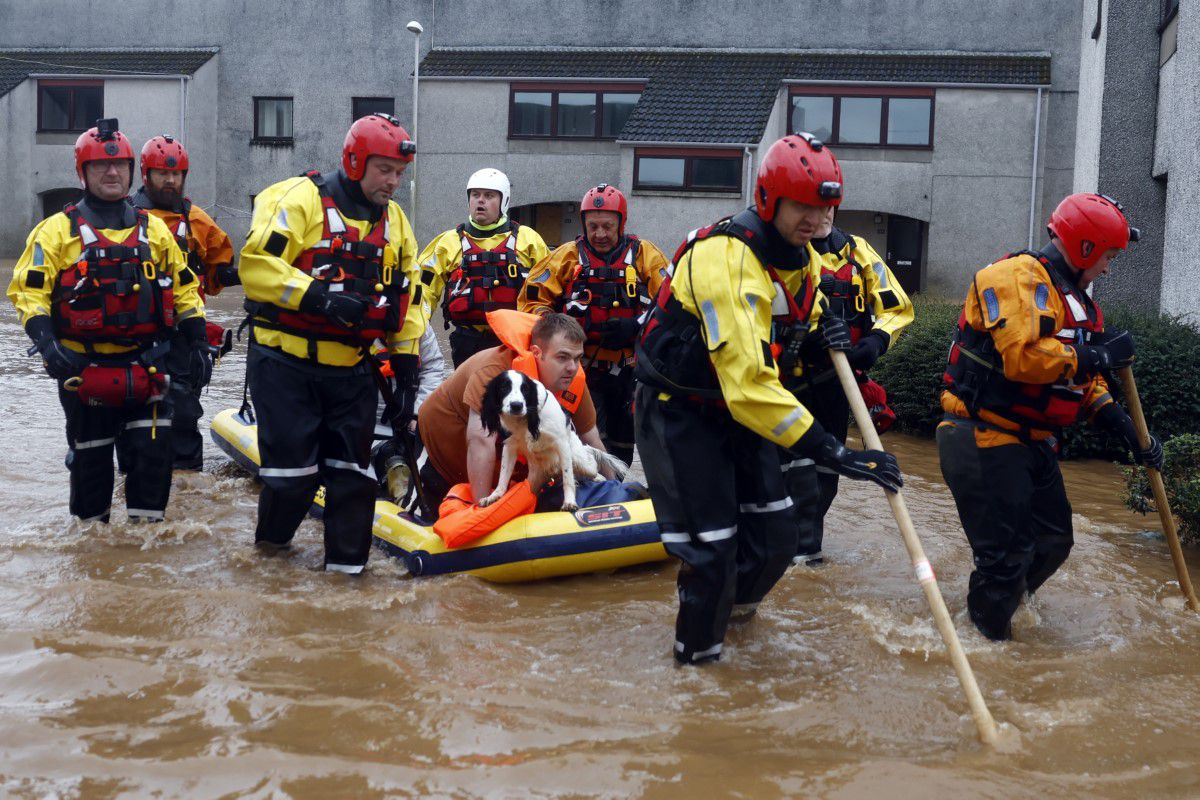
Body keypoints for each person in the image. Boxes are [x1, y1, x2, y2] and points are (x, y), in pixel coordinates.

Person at [635, 134, 903, 665]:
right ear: (768, 200)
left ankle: (731, 623)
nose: (817, 218)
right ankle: (697, 673)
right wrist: (837, 453)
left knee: (777, 536)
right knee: (712, 549)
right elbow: (751, 384)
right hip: (682, 410)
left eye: (826, 206)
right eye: (803, 205)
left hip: (739, 413)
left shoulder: (803, 257)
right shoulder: (729, 259)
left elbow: (806, 304)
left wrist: (832, 327)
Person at [938, 192, 1162, 641]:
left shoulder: (1075, 301)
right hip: (983, 436)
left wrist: (1123, 426)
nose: (1109, 267)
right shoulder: (1014, 277)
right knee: (1008, 557)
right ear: (1084, 247)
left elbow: (1081, 383)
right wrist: (1097, 355)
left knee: (1053, 542)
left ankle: (997, 609)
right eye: (1108, 256)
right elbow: (1024, 358)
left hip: (1030, 441)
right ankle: (985, 643)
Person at [239, 112, 425, 574]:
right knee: (292, 482)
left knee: (353, 480)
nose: (393, 182)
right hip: (285, 364)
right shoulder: (298, 199)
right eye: (385, 170)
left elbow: (409, 296)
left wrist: (406, 368)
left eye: (400, 173)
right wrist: (318, 298)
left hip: (353, 370)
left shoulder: (396, 222)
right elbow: (256, 266)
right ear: (356, 160)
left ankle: (346, 582)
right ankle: (270, 563)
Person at [7, 118, 207, 523]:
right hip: (85, 370)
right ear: (83, 173)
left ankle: (142, 554)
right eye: (101, 166)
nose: (112, 173)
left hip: (148, 366)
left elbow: (185, 289)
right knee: (92, 471)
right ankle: (93, 549)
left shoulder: (155, 232)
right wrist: (47, 345)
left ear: (133, 171)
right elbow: (28, 293)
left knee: (153, 465)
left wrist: (198, 343)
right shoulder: (54, 232)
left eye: (120, 166)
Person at [785, 208, 914, 565]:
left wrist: (875, 341)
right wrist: (805, 340)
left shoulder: (857, 252)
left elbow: (898, 308)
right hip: (786, 384)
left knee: (827, 476)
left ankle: (807, 553)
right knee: (791, 474)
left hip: (838, 384)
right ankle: (793, 550)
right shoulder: (782, 253)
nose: (821, 214)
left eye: (827, 208)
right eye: (813, 206)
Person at [520, 184, 669, 465]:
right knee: (586, 440)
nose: (600, 234)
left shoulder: (644, 255)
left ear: (621, 223)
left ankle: (619, 491)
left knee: (624, 441)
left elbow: (672, 302)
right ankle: (589, 491)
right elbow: (530, 301)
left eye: (607, 226)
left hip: (629, 370)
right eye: (593, 226)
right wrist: (563, 332)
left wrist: (636, 325)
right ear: (583, 224)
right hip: (581, 371)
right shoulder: (566, 256)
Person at [417, 311, 615, 512]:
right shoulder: (494, 374)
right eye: (563, 357)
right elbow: (480, 441)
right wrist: (483, 512)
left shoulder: (570, 379)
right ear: (537, 353)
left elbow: (592, 439)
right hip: (446, 450)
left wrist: (616, 489)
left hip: (501, 461)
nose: (572, 368)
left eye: (577, 358)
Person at [131, 134, 238, 470]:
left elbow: (219, 273)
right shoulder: (124, 218)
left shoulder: (198, 222)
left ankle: (187, 485)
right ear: (146, 175)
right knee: (135, 413)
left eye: (177, 174)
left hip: (184, 333)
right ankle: (135, 476)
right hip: (136, 333)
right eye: (163, 173)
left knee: (184, 413)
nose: (171, 180)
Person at [417, 168, 549, 366]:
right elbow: (422, 290)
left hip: (516, 340)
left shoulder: (528, 240)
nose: (480, 200)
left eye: (489, 196)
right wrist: (416, 332)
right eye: (475, 195)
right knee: (470, 395)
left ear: (504, 201)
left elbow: (550, 287)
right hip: (467, 342)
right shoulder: (448, 242)